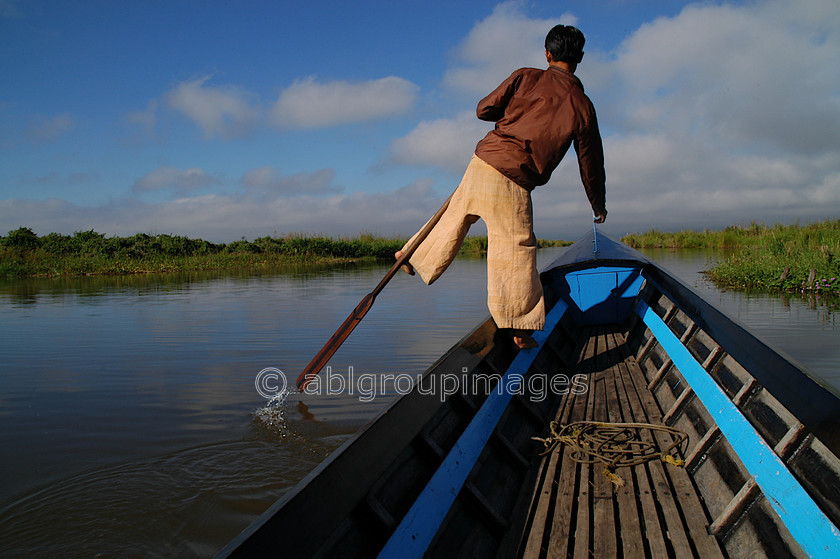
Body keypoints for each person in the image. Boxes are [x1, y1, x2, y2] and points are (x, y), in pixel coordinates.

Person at [396, 24, 607, 349]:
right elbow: (590, 163)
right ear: (579, 58)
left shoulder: (525, 76)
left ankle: (411, 255)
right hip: (515, 178)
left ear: (547, 54)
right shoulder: (582, 105)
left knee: (454, 217)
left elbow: (484, 109)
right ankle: (520, 326)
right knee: (516, 249)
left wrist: (513, 110)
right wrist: (598, 204)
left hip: (482, 162)